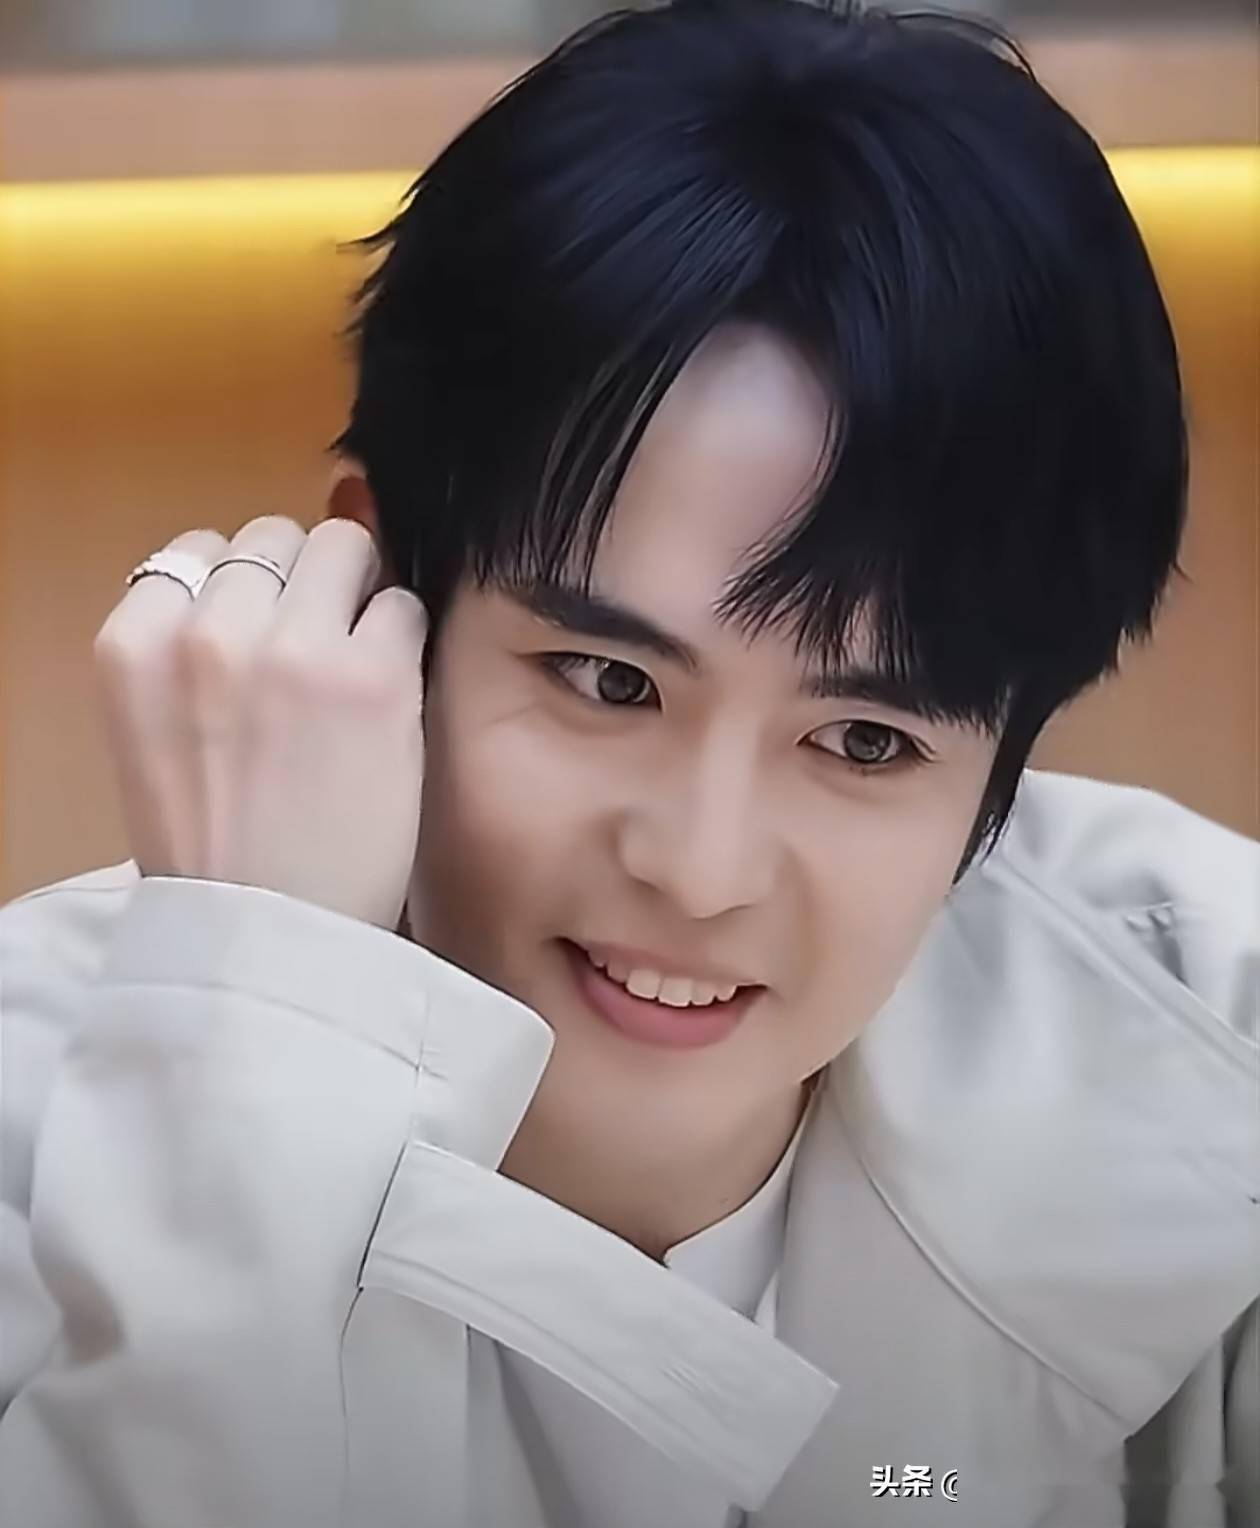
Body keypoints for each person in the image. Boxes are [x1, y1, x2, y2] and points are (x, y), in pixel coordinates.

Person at [0, 1, 1256, 1524]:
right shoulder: (30, 1110)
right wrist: (255, 1045)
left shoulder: (1219, 1026)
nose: (700, 870)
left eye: (865, 741)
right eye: (609, 682)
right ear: (375, 591)